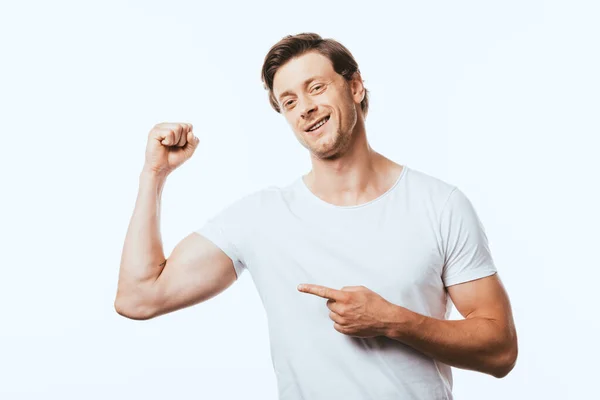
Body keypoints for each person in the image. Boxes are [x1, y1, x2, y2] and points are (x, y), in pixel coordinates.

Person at [115, 33, 518, 399]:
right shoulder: (261, 218)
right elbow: (139, 298)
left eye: (316, 88)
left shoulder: (439, 204)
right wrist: (154, 175)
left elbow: (500, 350)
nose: (305, 108)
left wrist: (393, 321)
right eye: (289, 101)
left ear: (355, 86)